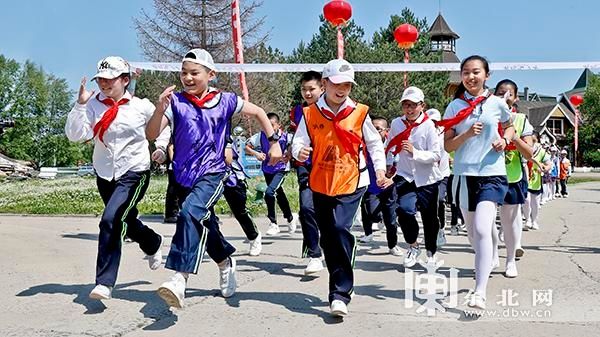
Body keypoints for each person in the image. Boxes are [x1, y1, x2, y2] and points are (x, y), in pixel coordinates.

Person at [146, 48, 282, 308]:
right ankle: (225, 260)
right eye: (184, 72)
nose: (187, 77)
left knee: (188, 214)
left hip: (214, 172)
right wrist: (159, 109)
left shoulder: (226, 100)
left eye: (194, 73)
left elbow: (259, 113)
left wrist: (273, 143)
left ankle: (179, 278)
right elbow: (152, 134)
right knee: (205, 225)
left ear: (211, 74)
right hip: (185, 176)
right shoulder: (175, 102)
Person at [65, 56, 169, 300]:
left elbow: (164, 126)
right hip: (105, 174)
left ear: (125, 80)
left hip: (134, 171)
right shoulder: (92, 105)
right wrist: (80, 105)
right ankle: (152, 242)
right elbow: (75, 135)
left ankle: (104, 282)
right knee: (126, 219)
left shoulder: (140, 106)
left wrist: (161, 148)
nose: (103, 84)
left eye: (109, 79)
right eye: (100, 79)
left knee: (110, 220)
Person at [291, 58, 389, 317]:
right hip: (322, 182)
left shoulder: (360, 112)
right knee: (329, 237)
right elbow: (298, 141)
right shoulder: (310, 113)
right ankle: (343, 275)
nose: (342, 89)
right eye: (337, 83)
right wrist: (299, 151)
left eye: (347, 84)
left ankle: (339, 293)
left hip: (352, 180)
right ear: (324, 84)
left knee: (339, 229)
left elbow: (375, 143)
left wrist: (379, 168)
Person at [441, 55, 515, 310]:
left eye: (476, 72)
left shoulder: (497, 104)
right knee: (474, 234)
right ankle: (491, 252)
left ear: (486, 75)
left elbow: (509, 127)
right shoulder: (454, 107)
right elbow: (447, 145)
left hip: (492, 174)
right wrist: (465, 135)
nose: (471, 77)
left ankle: (479, 291)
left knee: (483, 228)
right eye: (466, 73)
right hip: (464, 175)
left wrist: (504, 140)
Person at [386, 87, 442, 268]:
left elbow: (436, 155)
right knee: (403, 210)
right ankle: (413, 245)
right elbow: (390, 145)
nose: (409, 109)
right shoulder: (396, 123)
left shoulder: (429, 126)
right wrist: (388, 165)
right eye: (405, 105)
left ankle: (431, 252)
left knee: (429, 218)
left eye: (413, 105)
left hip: (427, 178)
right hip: (405, 175)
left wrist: (415, 152)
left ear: (422, 106)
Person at [494, 79, 534, 277]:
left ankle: (510, 260)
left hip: (512, 176)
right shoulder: (487, 116)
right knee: (485, 222)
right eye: (500, 93)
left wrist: (513, 136)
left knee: (509, 220)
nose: (504, 97)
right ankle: (491, 253)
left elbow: (529, 153)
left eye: (509, 94)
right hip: (488, 175)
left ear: (516, 98)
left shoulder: (521, 120)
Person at [289, 71, 325, 275]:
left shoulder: (333, 108)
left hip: (331, 168)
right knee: (307, 208)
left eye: (312, 89)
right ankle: (314, 255)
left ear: (322, 88)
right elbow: (297, 138)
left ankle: (332, 248)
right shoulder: (297, 111)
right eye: (304, 89)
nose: (307, 93)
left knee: (329, 215)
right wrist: (293, 152)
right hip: (306, 166)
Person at [246, 113, 297, 236]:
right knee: (279, 194)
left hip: (281, 169)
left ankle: (273, 223)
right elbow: (247, 147)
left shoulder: (285, 136)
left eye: (272, 125)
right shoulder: (260, 136)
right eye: (265, 125)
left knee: (269, 192)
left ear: (278, 125)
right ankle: (290, 218)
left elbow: (294, 144)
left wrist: (288, 155)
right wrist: (256, 154)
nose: (268, 128)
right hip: (267, 169)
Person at [358, 116, 402, 256]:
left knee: (391, 220)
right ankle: (374, 225)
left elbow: (399, 166)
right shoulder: (365, 145)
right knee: (371, 213)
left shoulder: (392, 146)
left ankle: (392, 245)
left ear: (386, 131)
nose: (374, 132)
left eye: (378, 129)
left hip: (389, 188)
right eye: (372, 128)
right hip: (371, 187)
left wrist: (392, 178)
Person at [426, 108, 450, 247]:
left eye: (436, 121)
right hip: (427, 175)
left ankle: (441, 229)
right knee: (428, 205)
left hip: (442, 174)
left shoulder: (445, 133)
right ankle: (432, 231)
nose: (433, 124)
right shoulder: (424, 131)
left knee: (439, 200)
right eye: (431, 121)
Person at [523, 132, 552, 230]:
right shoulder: (523, 148)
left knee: (535, 203)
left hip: (536, 179)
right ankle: (527, 220)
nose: (532, 142)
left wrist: (544, 169)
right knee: (526, 200)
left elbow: (548, 164)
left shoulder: (542, 151)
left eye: (534, 140)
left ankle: (534, 220)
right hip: (525, 177)